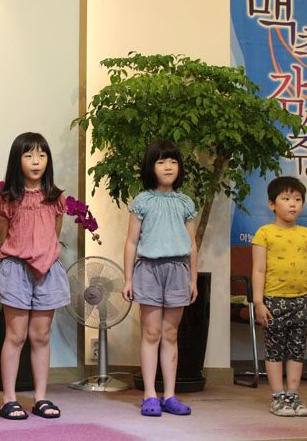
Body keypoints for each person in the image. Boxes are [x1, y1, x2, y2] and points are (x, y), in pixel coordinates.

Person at [0, 132, 70, 421]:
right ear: (17, 160)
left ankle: (41, 397)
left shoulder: (56, 198)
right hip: (15, 270)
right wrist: (22, 253)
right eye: (28, 155)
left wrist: (43, 255)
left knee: (41, 336)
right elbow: (4, 235)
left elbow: (55, 233)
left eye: (41, 155)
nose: (36, 161)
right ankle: (9, 399)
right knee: (15, 336)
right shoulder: (6, 199)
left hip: (47, 272)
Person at [122, 139, 198, 417]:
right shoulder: (142, 201)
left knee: (170, 333)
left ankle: (170, 395)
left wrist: (193, 280)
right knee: (151, 332)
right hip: (149, 271)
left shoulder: (186, 202)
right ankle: (149, 395)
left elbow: (192, 245)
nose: (168, 167)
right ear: (150, 167)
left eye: (173, 161)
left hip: (178, 271)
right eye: (161, 161)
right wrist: (128, 279)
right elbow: (131, 242)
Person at [252, 176, 307, 417]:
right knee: (274, 349)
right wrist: (258, 302)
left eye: (298, 199)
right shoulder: (264, 233)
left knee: (296, 349)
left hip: (303, 301)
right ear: (272, 204)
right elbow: (258, 270)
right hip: (274, 300)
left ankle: (293, 395)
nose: (293, 204)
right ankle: (277, 397)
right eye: (286, 199)